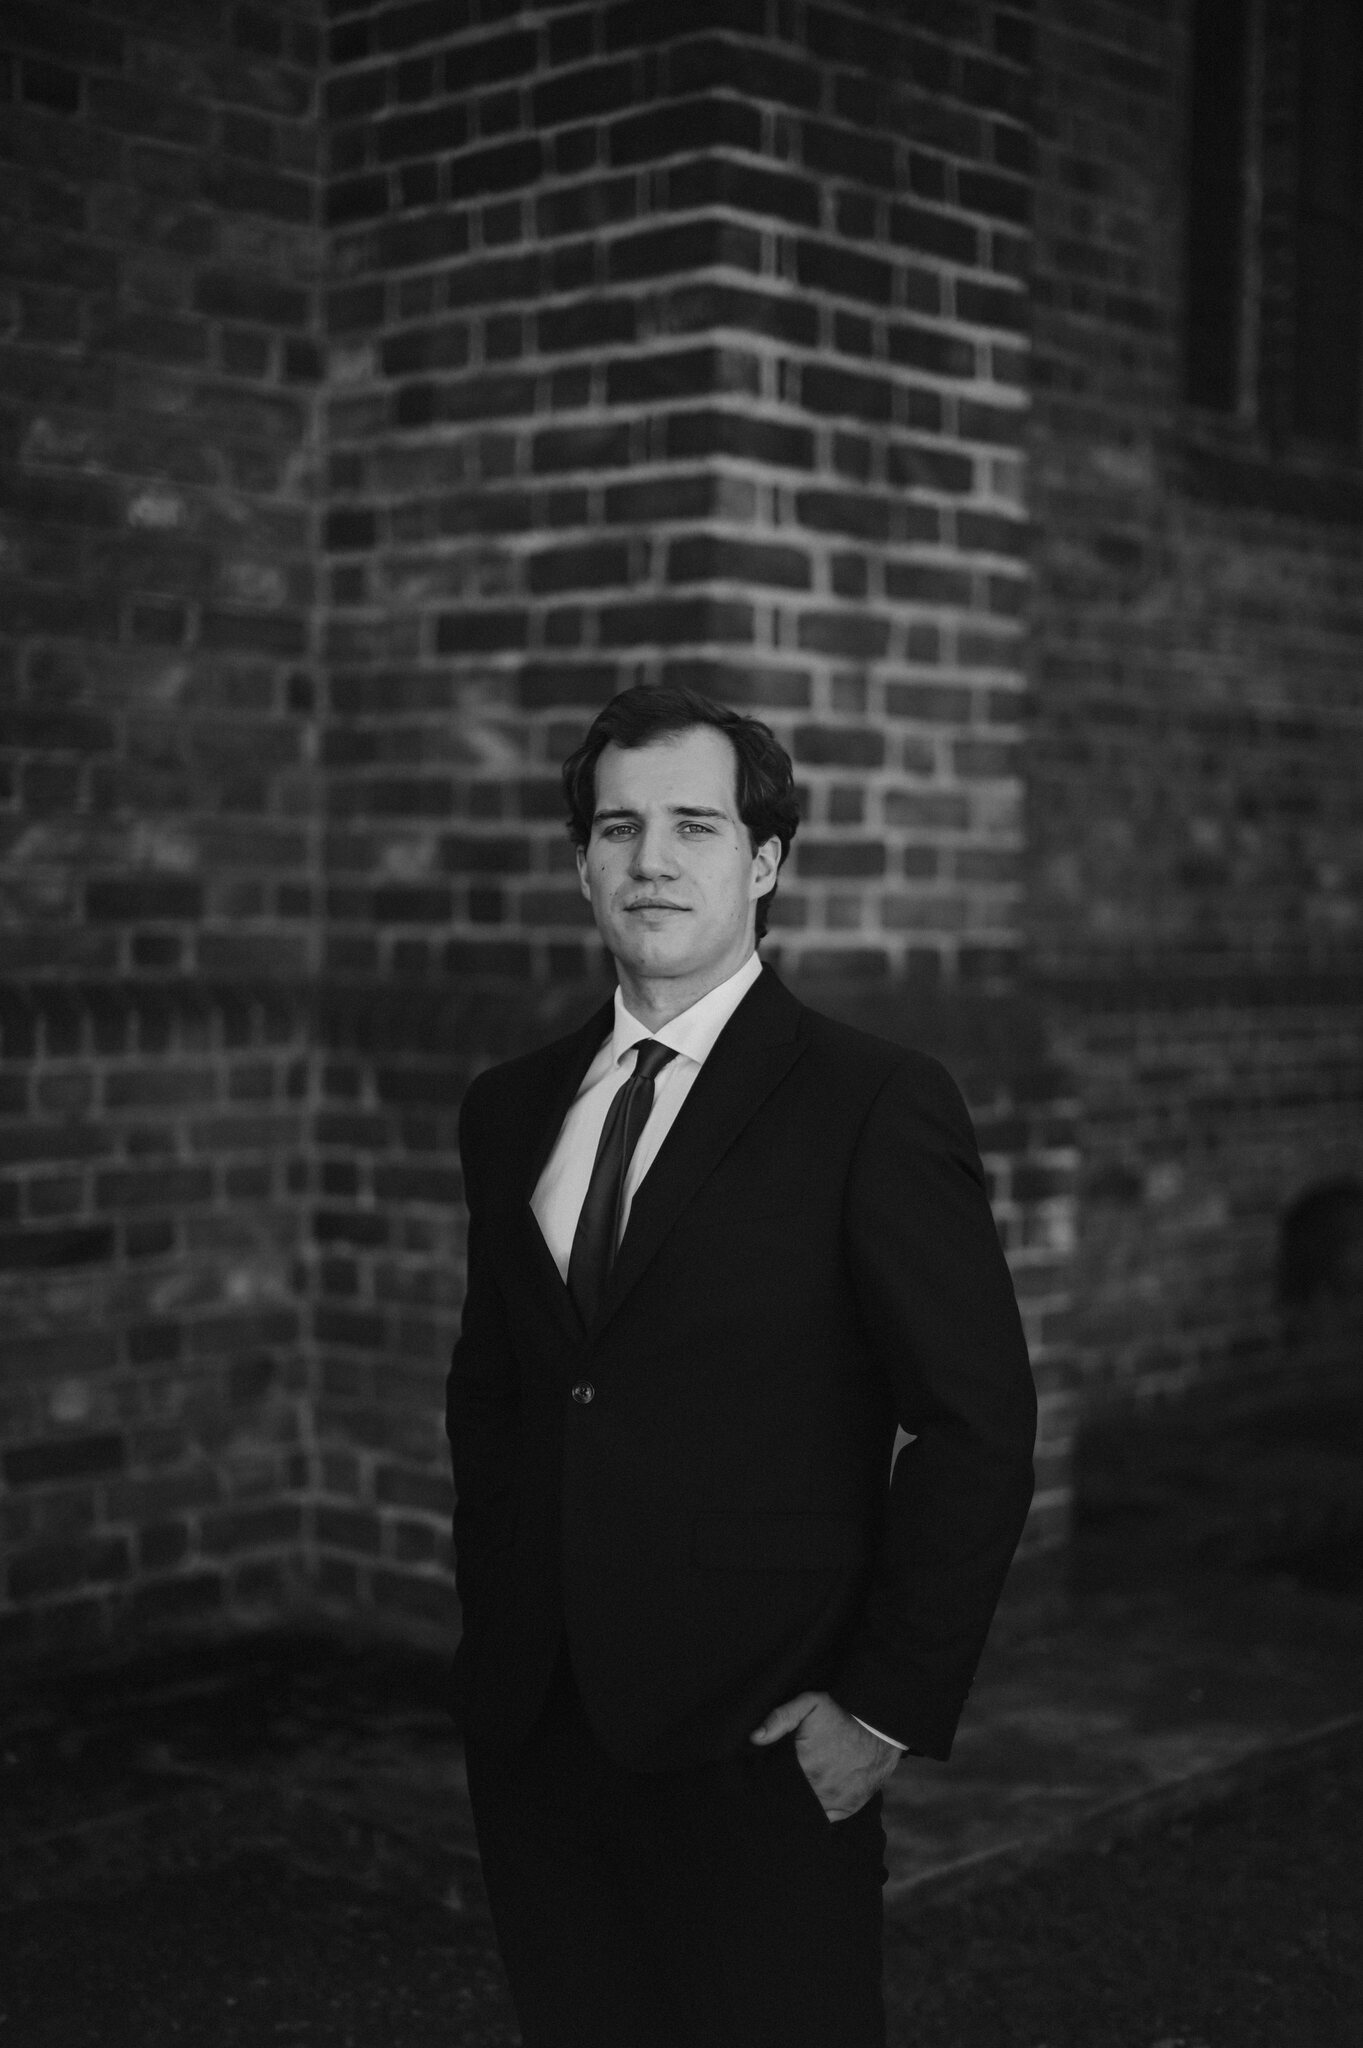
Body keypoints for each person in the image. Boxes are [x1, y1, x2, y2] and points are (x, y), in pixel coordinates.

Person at [446, 686, 1037, 2048]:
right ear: (582, 863)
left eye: (695, 827)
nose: (651, 861)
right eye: (618, 828)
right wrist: (492, 1640)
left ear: (764, 862)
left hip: (760, 1737)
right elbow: (498, 1391)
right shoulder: (511, 1108)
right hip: (536, 1728)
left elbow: (978, 1422)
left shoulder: (872, 1101)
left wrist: (881, 1710)